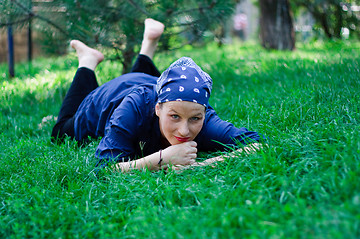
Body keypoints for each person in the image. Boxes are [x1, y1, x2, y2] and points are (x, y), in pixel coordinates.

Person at [51, 18, 263, 173]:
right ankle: (88, 60)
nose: (184, 130)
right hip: (110, 97)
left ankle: (148, 45)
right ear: (158, 108)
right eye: (175, 117)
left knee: (150, 86)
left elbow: (258, 144)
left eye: (195, 118)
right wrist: (163, 158)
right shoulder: (131, 110)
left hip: (149, 81)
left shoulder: (204, 120)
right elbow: (104, 170)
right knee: (60, 131)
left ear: (204, 113)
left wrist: (200, 165)